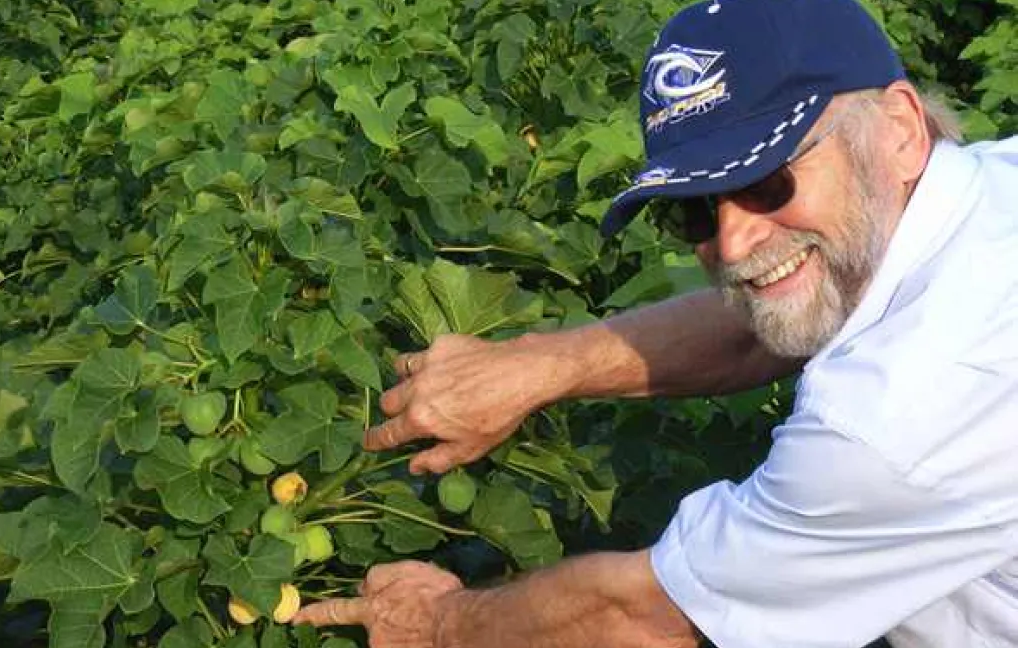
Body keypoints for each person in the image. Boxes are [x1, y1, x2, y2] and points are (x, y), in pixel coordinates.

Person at [293, 0, 1018, 645]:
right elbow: (796, 302)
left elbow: (651, 617)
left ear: (898, 129)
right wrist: (539, 366)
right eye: (696, 210)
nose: (731, 244)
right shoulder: (990, 190)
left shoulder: (895, 418)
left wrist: (439, 626)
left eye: (768, 180)